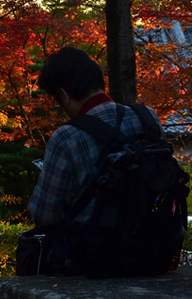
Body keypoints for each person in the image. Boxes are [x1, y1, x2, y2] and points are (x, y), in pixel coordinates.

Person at [16, 45, 186, 277]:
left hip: (99, 260)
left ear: (63, 95)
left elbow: (45, 214)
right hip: (153, 251)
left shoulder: (66, 137)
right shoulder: (147, 116)